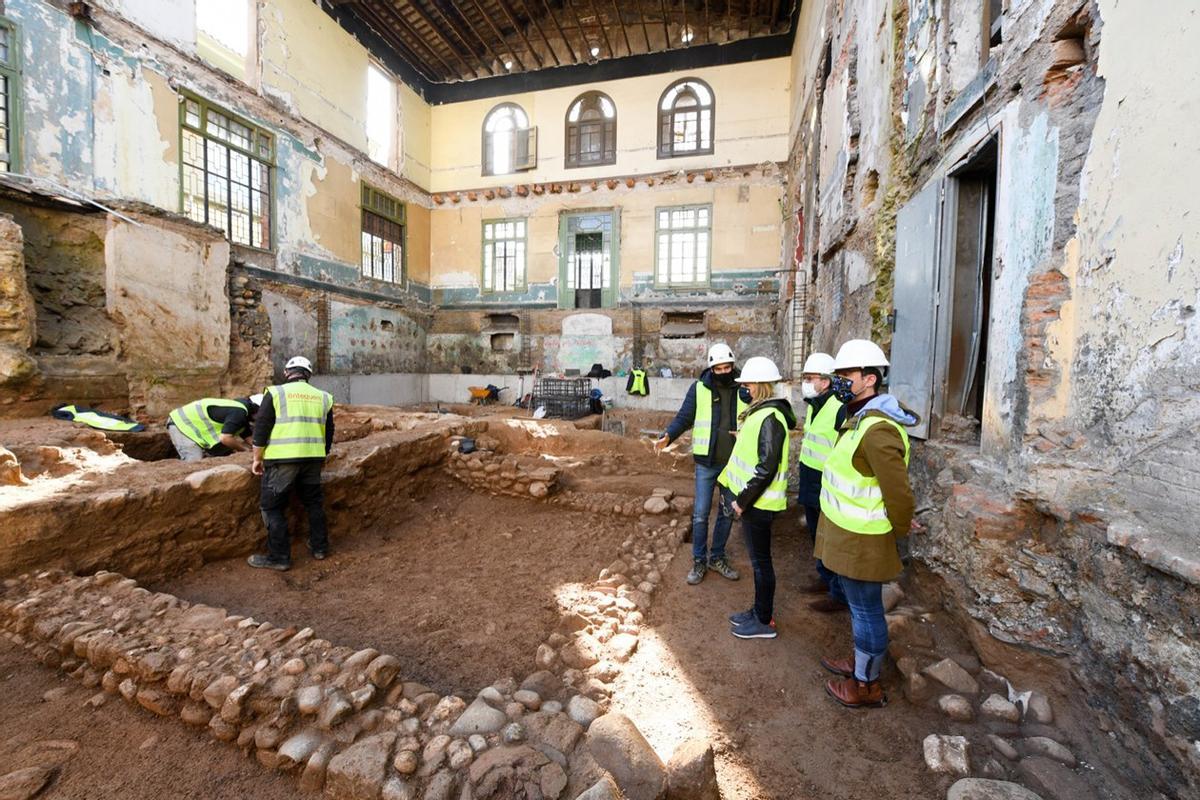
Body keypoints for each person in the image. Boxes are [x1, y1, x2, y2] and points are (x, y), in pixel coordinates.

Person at [815, 339, 919, 708]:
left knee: (865, 611)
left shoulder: (878, 429)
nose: (839, 381)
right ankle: (861, 664)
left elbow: (898, 491)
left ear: (869, 379)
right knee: (860, 609)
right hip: (849, 534)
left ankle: (866, 686)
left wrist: (902, 528)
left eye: (846, 374)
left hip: (864, 539)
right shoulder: (858, 420)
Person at [656, 343, 751, 585]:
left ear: (732, 365)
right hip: (706, 464)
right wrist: (669, 435)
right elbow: (684, 417)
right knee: (700, 514)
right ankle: (699, 561)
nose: (723, 371)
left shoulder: (744, 388)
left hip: (733, 464)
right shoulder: (699, 389)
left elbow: (755, 415)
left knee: (727, 513)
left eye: (727, 367)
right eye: (718, 368)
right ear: (710, 368)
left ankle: (716, 557)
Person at [720, 356, 796, 640]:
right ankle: (758, 611)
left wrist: (742, 501)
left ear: (761, 386)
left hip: (758, 505)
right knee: (758, 562)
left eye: (749, 383)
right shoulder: (761, 413)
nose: (745, 388)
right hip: (755, 502)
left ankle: (764, 621)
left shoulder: (770, 418)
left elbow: (766, 467)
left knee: (761, 563)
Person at [247, 356, 335, 571]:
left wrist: (257, 459)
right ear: (309, 375)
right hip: (313, 457)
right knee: (314, 503)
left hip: (282, 459)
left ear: (286, 372)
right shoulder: (324, 397)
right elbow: (329, 432)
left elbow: (261, 429)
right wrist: (321, 455)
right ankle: (320, 547)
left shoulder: (276, 392)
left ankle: (279, 557)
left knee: (271, 506)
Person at [794, 353, 849, 605]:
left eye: (809, 378)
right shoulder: (816, 405)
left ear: (825, 382)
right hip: (811, 481)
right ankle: (825, 578)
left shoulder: (839, 409)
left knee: (829, 539)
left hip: (828, 485)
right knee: (817, 535)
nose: (805, 382)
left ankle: (837, 593)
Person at [166, 394, 262, 462]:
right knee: (194, 462)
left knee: (225, 452)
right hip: (181, 424)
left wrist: (259, 449)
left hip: (190, 427)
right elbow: (226, 438)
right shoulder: (239, 412)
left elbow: (248, 437)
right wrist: (245, 451)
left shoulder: (241, 410)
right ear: (256, 408)